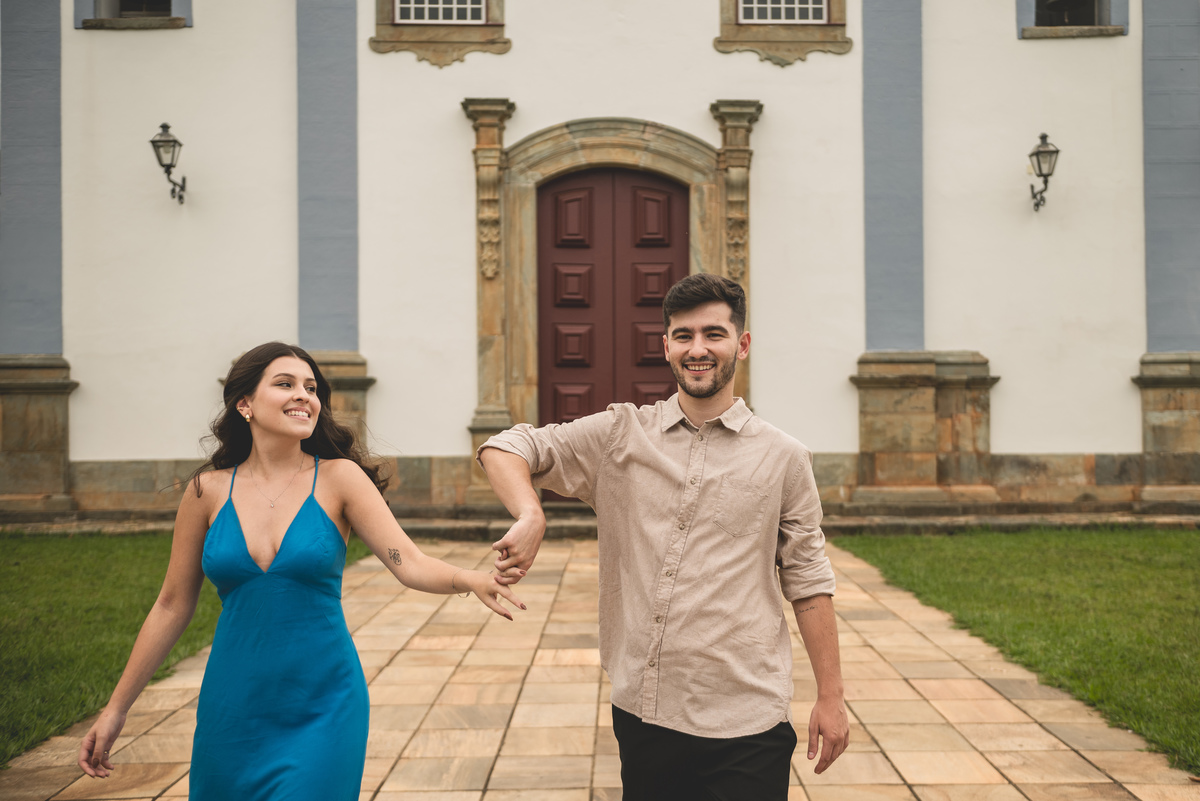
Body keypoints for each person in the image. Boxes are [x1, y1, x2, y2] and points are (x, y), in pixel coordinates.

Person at [78, 342, 524, 800]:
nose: (304, 396)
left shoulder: (339, 478)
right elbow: (171, 605)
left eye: (311, 388)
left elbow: (408, 563)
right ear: (244, 404)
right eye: (285, 384)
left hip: (323, 703)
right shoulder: (205, 492)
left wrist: (470, 579)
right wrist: (117, 709)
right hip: (232, 709)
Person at [479, 274, 849, 799]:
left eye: (714, 334)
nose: (698, 349)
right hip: (645, 712)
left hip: (747, 719)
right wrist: (530, 513)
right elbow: (506, 446)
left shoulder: (785, 457)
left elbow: (809, 581)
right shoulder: (619, 436)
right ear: (666, 347)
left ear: (741, 344)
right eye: (684, 336)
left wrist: (831, 697)